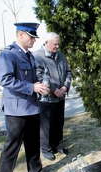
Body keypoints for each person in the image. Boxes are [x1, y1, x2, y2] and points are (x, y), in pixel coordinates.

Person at [0, 22, 58, 172]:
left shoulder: (28, 55)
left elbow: (31, 78)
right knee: (13, 146)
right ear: (20, 35)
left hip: (31, 107)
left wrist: (40, 85)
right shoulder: (8, 55)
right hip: (15, 109)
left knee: (33, 144)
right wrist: (32, 87)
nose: (34, 41)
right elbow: (5, 80)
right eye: (31, 37)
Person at [33, 32, 72, 161]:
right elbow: (39, 77)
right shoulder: (37, 56)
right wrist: (54, 90)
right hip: (47, 99)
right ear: (46, 43)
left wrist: (65, 86)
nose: (57, 46)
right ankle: (46, 149)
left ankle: (58, 146)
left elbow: (68, 72)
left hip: (60, 97)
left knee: (59, 123)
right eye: (55, 44)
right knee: (46, 126)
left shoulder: (60, 56)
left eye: (58, 44)